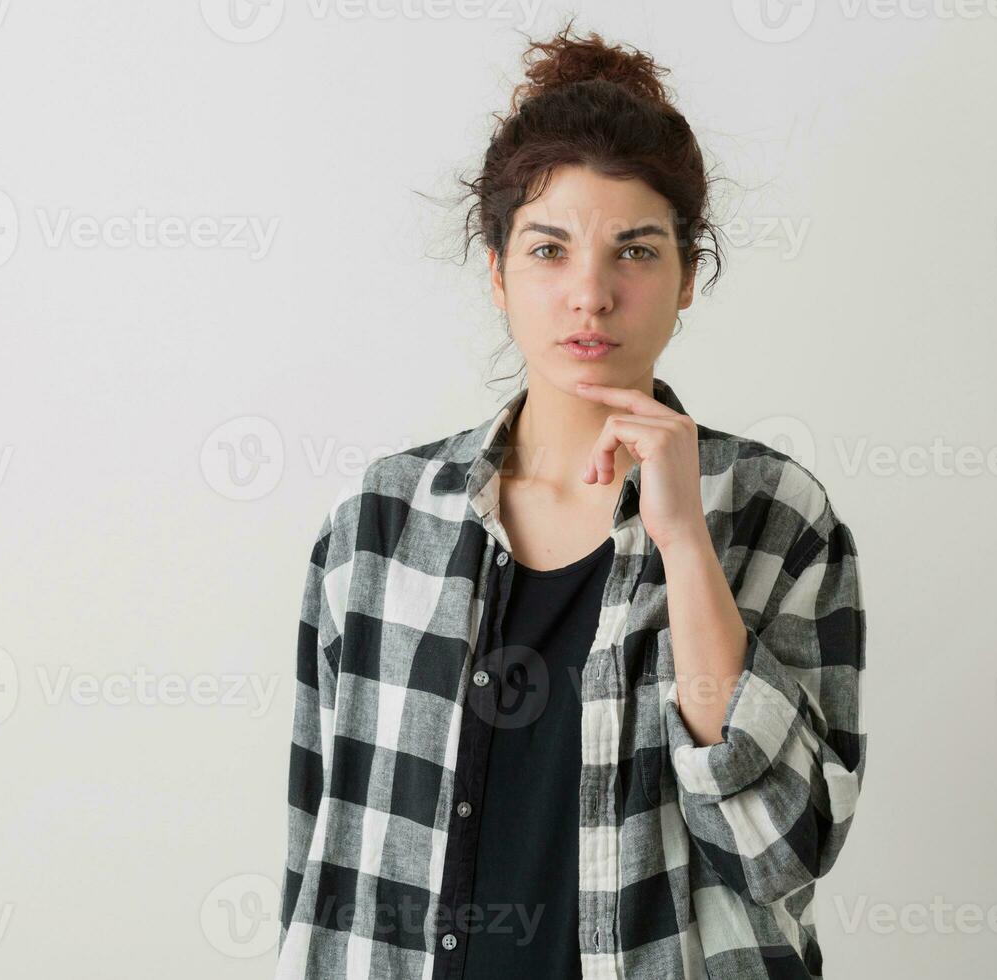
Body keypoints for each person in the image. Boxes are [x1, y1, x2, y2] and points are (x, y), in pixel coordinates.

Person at [275, 20, 866, 980]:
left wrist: (682, 542)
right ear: (500, 273)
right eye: (550, 251)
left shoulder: (774, 514)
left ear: (686, 280)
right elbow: (319, 851)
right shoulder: (379, 525)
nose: (590, 294)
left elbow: (783, 849)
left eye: (635, 252)